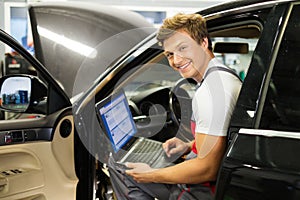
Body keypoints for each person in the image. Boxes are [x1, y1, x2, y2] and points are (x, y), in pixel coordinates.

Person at [108, 13, 242, 199]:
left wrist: (150, 175)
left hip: (200, 192)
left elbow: (207, 169)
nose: (176, 61)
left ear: (203, 42)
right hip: (212, 180)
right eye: (170, 54)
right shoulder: (224, 77)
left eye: (183, 48)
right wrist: (188, 146)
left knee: (120, 168)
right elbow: (222, 138)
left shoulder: (211, 93)